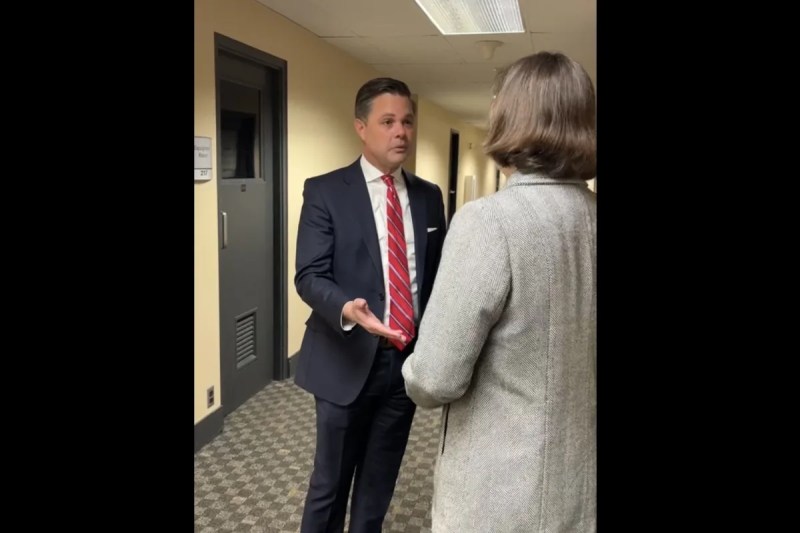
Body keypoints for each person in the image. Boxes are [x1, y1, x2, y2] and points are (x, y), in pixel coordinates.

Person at [401, 51, 597, 532]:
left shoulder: (489, 222)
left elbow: (435, 378)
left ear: (511, 116)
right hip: (581, 484)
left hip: (501, 494)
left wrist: (411, 363)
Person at [294, 77, 447, 533]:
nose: (401, 132)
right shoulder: (325, 191)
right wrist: (347, 308)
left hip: (403, 363)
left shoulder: (428, 196)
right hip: (345, 360)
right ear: (362, 128)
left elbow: (435, 279)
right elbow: (309, 275)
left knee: (377, 488)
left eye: (407, 122)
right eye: (387, 122)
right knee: (329, 487)